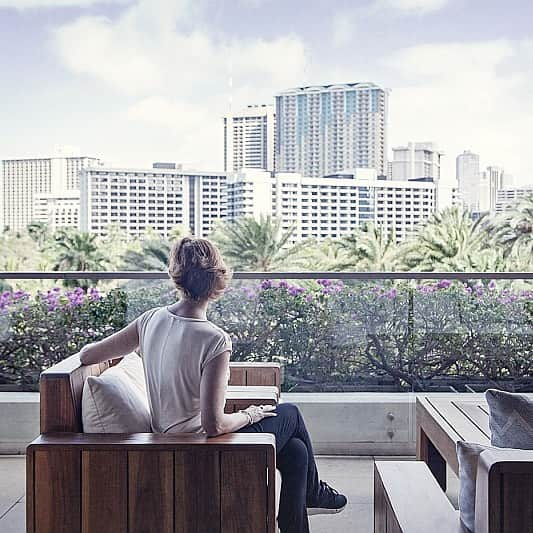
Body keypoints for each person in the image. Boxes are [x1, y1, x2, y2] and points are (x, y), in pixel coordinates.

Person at [79, 237, 347, 533]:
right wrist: (251, 414)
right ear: (217, 281)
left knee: (296, 452)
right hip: (199, 451)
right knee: (291, 413)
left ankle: (297, 515)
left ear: (177, 275)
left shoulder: (150, 319)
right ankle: (314, 492)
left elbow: (88, 355)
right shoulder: (214, 339)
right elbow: (213, 425)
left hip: (170, 441)